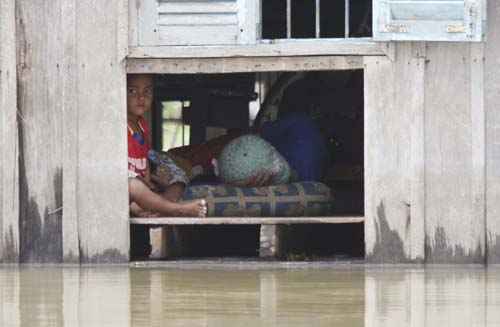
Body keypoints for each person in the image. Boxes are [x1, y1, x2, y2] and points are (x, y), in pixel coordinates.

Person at [127, 74, 207, 218]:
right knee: (132, 186)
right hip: (126, 188)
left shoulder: (142, 125)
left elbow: (144, 160)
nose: (141, 98)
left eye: (147, 91)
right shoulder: (118, 125)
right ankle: (176, 209)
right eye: (132, 91)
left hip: (142, 186)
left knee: (178, 177)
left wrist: (149, 182)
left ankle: (160, 207)